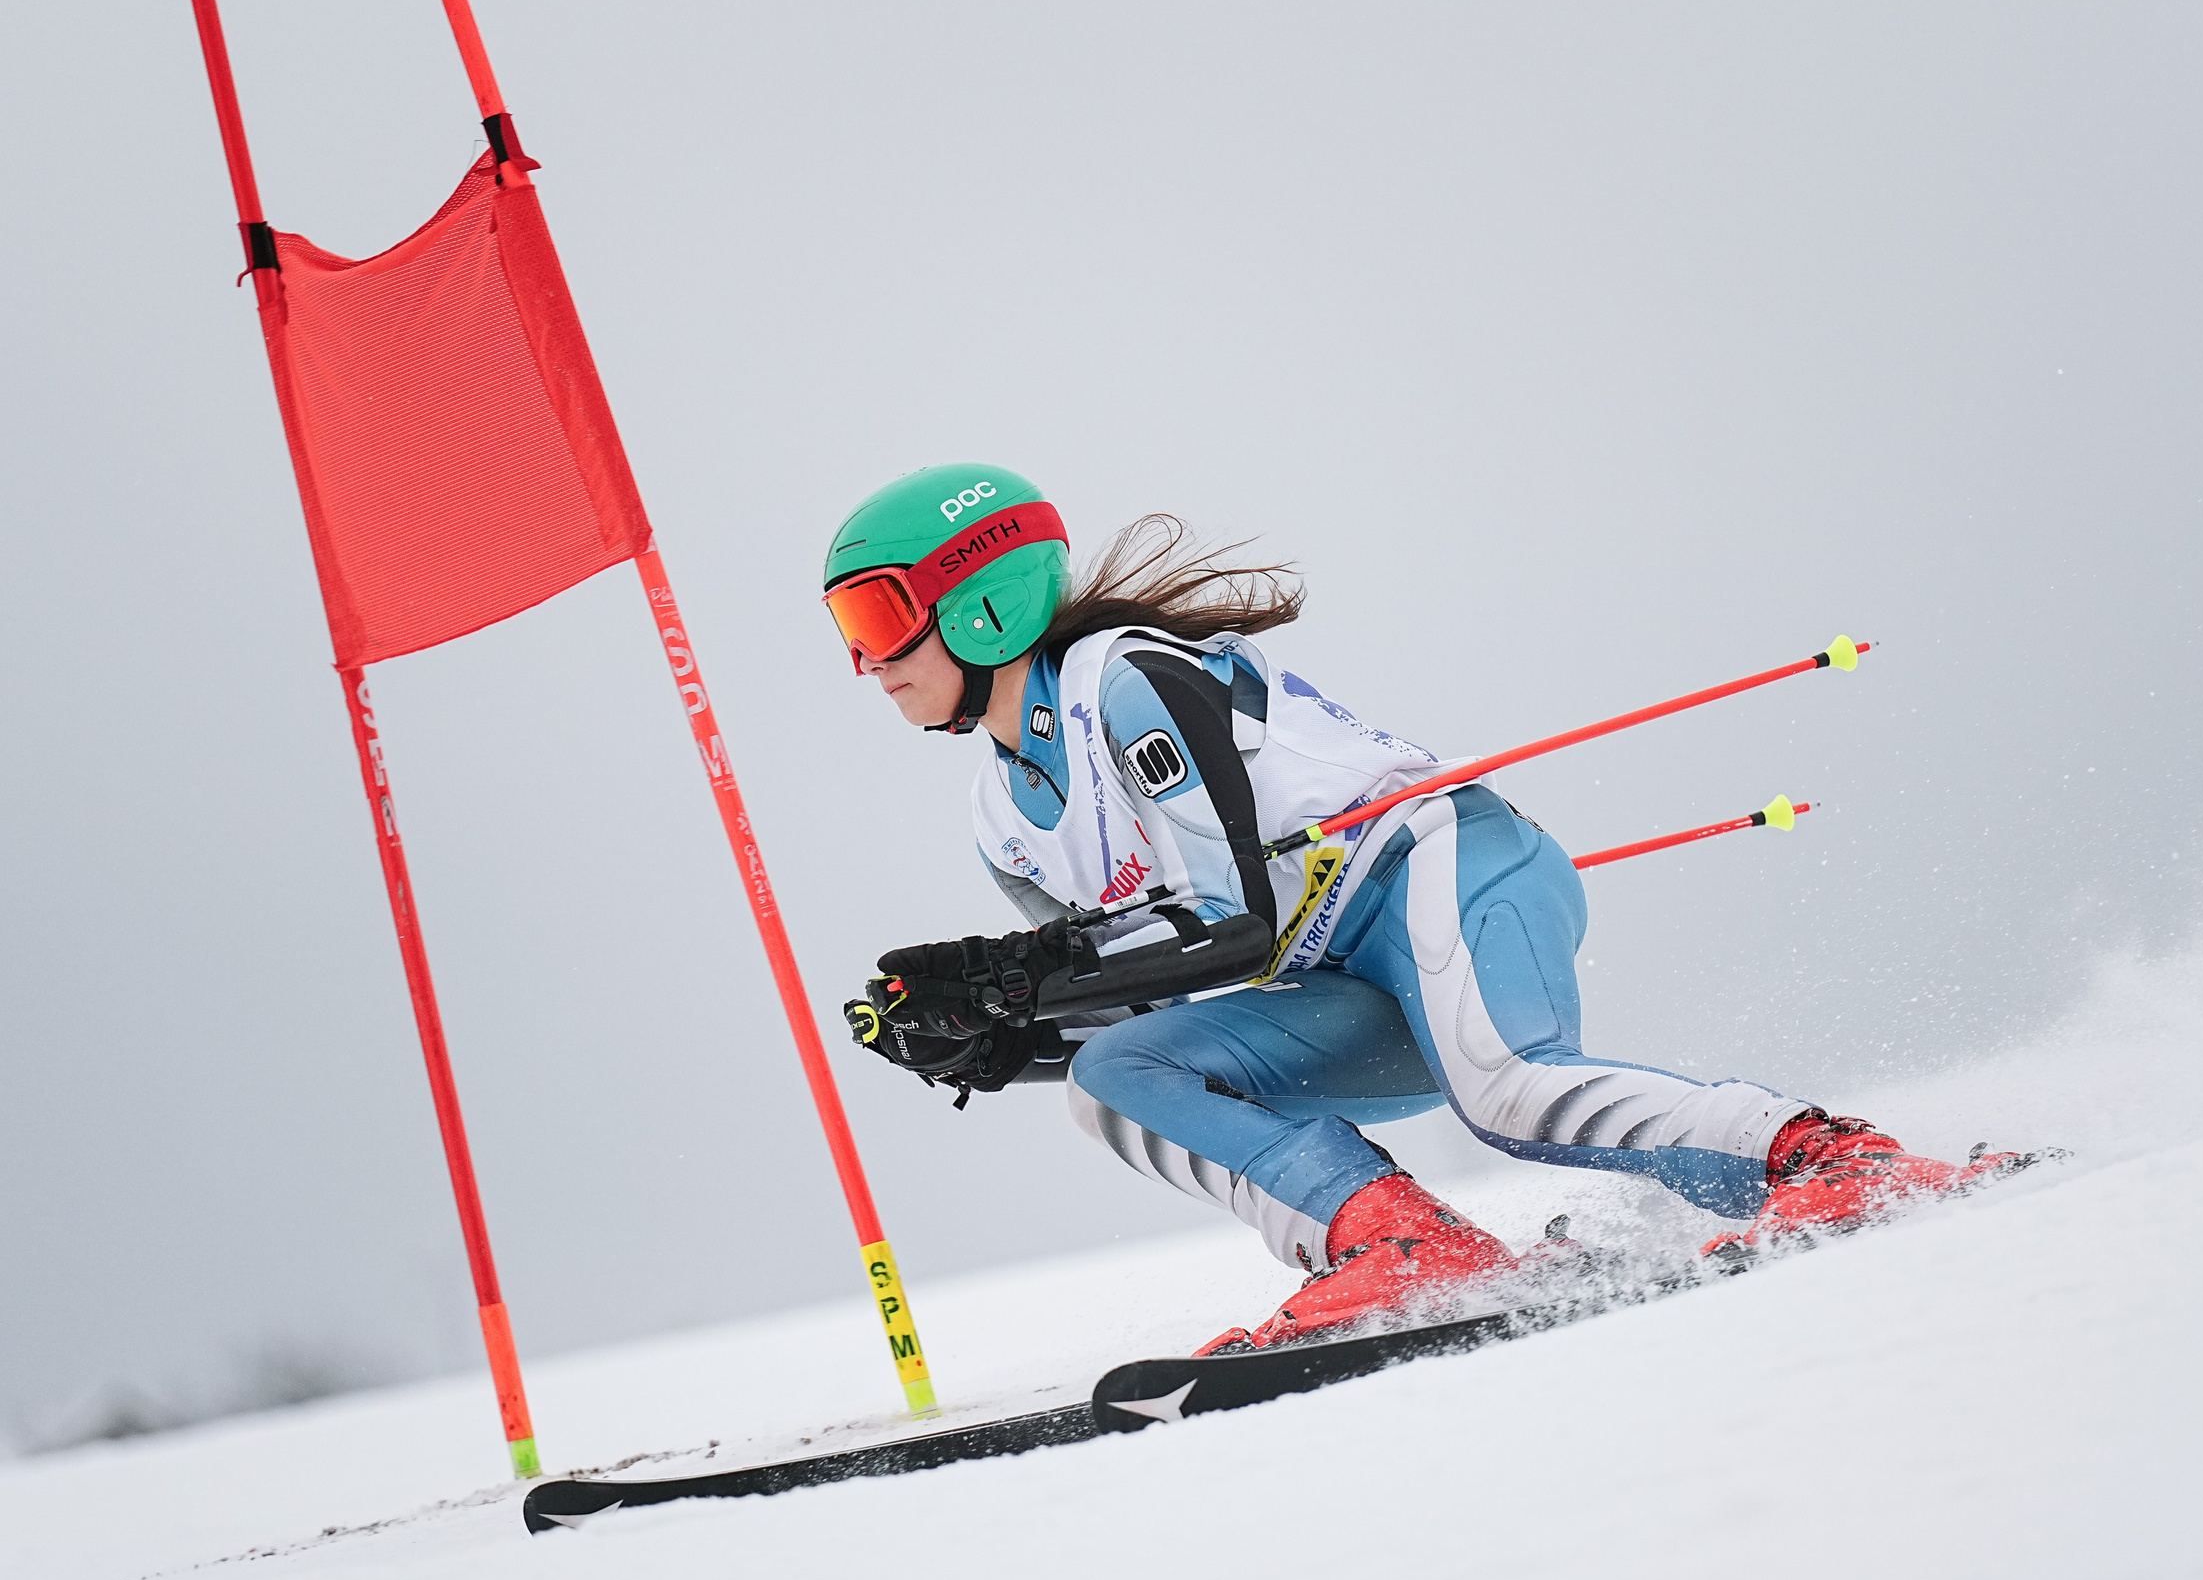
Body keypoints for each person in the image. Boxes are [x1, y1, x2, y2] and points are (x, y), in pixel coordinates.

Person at [828, 464, 2027, 1354]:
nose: (868, 662)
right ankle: (1395, 1241)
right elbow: (1149, 985)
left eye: (880, 619)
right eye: (846, 633)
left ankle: (1823, 1157)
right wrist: (1001, 1037)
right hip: (1328, 977)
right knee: (1113, 1083)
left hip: (1444, 869)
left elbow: (1232, 917)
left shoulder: (1123, 680)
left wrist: (1012, 975)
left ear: (980, 598)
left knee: (1509, 1093)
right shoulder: (1002, 814)